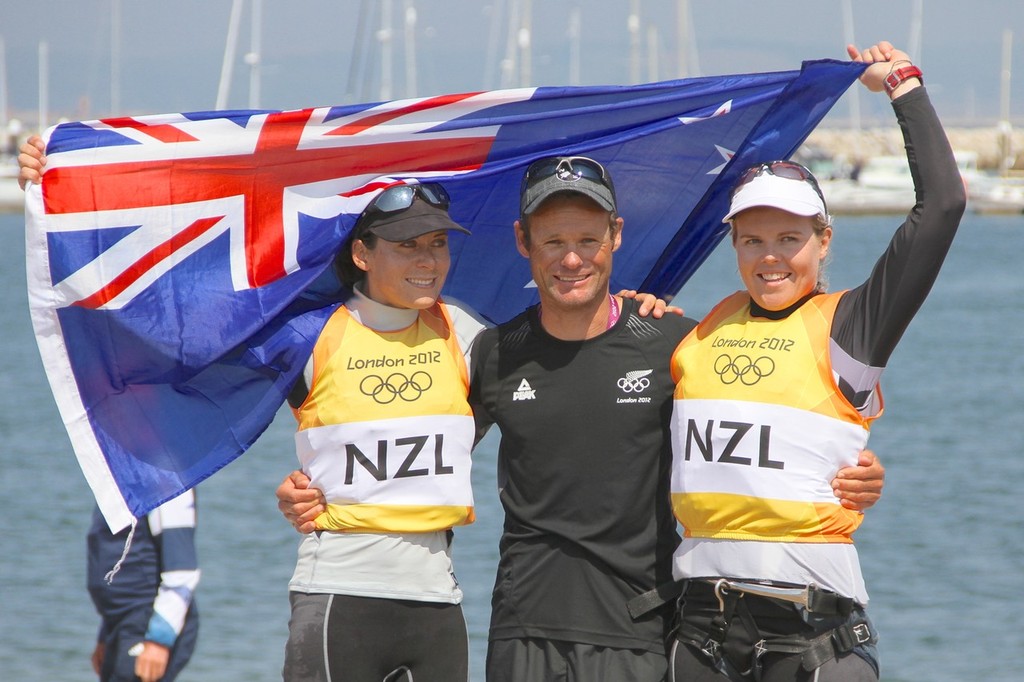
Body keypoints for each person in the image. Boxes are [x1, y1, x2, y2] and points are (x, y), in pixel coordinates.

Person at [667, 41, 965, 681]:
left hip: (811, 636)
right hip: (700, 636)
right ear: (734, 244)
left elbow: (941, 207)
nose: (769, 256)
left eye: (789, 238)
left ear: (823, 241)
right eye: (752, 240)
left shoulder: (853, 326)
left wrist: (904, 87)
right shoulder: (694, 333)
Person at [86, 489, 200, 682]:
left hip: (147, 621)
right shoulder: (122, 476)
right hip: (122, 621)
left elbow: (182, 571)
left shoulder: (166, 480)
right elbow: (120, 558)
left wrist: (159, 639)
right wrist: (107, 632)